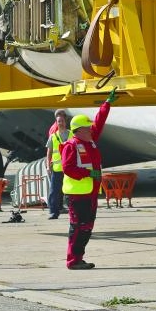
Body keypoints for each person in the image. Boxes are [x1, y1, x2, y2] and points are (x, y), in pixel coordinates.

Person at [61, 89, 115, 270]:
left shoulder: (89, 141)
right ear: (79, 130)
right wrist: (88, 174)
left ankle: (79, 258)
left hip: (90, 193)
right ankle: (72, 261)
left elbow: (99, 123)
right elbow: (67, 168)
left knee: (87, 227)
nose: (91, 129)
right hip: (77, 194)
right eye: (87, 127)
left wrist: (107, 104)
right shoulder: (71, 146)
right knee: (77, 227)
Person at [45, 109, 68, 219]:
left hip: (69, 168)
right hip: (58, 168)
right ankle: (54, 211)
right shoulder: (53, 136)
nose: (61, 123)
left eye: (62, 121)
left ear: (65, 122)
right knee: (55, 190)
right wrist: (47, 165)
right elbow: (49, 152)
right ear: (56, 122)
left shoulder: (72, 134)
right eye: (59, 121)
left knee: (70, 190)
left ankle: (72, 209)